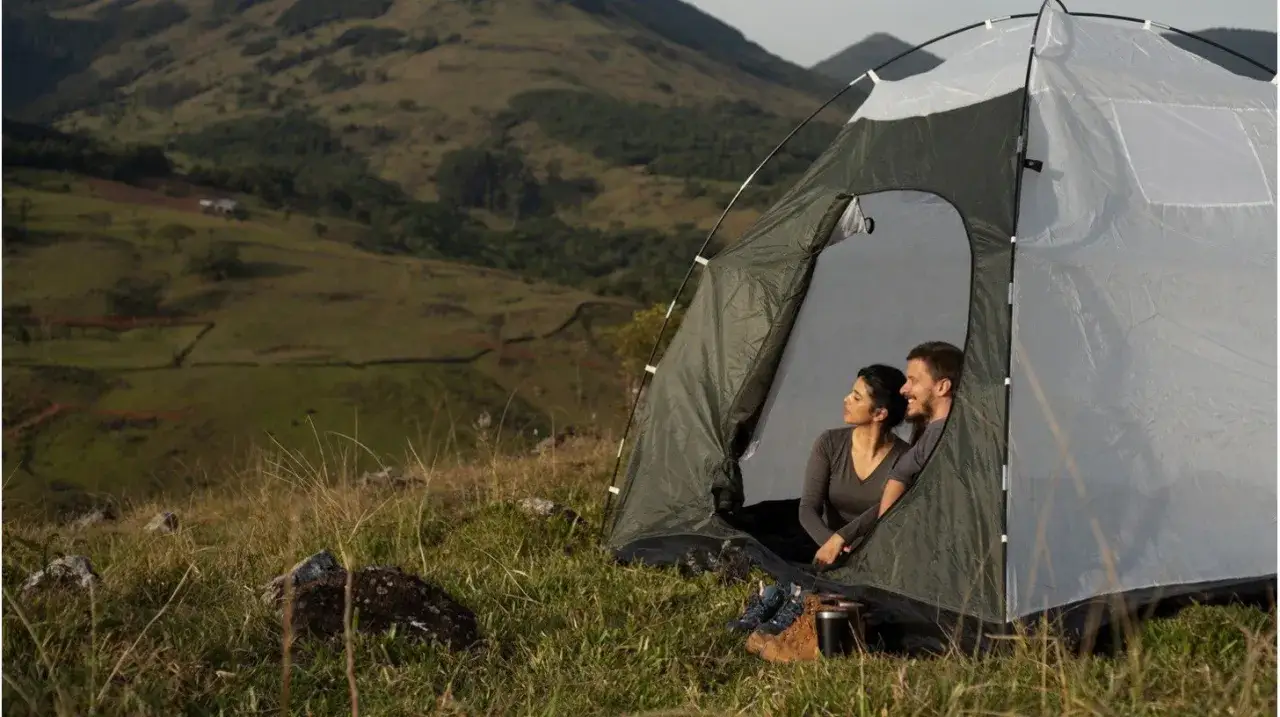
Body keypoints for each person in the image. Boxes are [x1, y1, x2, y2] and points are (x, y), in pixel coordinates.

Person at [799, 364, 911, 568]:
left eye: (856, 397)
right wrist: (830, 543)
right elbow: (808, 508)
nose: (846, 399)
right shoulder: (829, 443)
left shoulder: (905, 457)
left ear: (879, 414)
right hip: (828, 553)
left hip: (876, 560)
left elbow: (885, 509)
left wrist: (841, 539)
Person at [876, 340, 963, 518]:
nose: (903, 389)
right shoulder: (935, 435)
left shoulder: (943, 439)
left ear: (942, 387)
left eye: (913, 381)